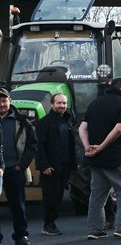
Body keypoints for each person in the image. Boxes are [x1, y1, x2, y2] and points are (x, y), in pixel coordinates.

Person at [79, 77, 121, 239]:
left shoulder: (94, 103)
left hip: (95, 159)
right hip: (116, 157)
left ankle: (95, 229)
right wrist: (102, 146)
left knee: (97, 194)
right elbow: (119, 129)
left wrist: (88, 148)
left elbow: (83, 127)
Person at [35, 92, 75, 236]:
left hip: (64, 166)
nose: (62, 106)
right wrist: (44, 165)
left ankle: (51, 223)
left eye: (64, 103)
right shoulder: (45, 122)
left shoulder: (65, 121)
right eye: (59, 103)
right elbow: (39, 146)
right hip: (50, 167)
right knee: (51, 197)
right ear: (52, 104)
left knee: (58, 196)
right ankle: (48, 224)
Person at [1, 88, 37, 245]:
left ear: (10, 101)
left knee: (18, 204)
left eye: (4, 100)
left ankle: (21, 235)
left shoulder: (22, 121)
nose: (1, 104)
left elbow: (32, 144)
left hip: (14, 170)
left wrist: (21, 165)